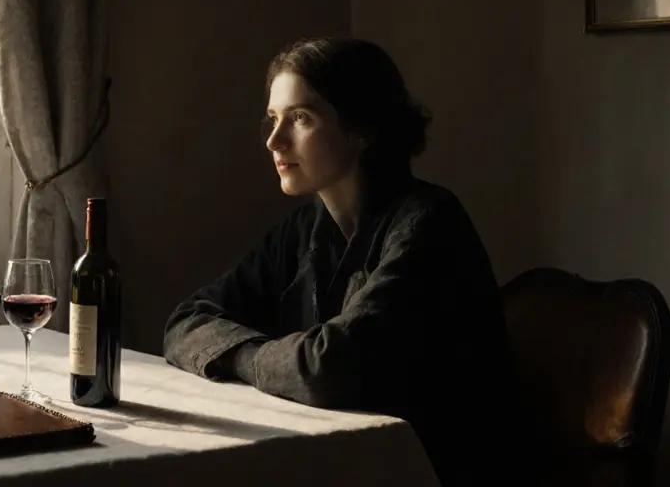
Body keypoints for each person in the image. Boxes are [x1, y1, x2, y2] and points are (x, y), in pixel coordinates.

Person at [163, 36, 524, 487]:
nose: (275, 140)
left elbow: (328, 369)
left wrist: (237, 356)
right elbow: (185, 320)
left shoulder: (428, 224)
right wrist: (262, 358)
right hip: (338, 461)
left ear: (362, 130)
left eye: (300, 118)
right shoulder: (302, 228)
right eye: (273, 119)